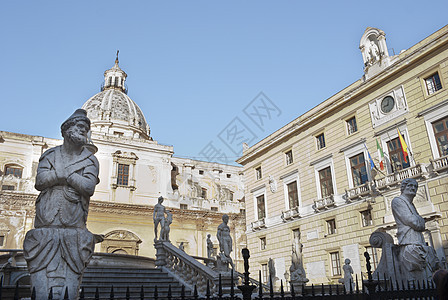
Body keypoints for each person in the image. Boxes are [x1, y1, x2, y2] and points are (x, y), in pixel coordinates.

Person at [23, 109, 99, 300]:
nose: (84, 131)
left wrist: (62, 175)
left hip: (73, 217)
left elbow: (88, 187)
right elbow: (39, 182)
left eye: (86, 128)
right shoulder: (50, 155)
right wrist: (69, 177)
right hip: (47, 216)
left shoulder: (90, 159)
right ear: (66, 130)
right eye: (80, 127)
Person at [391, 178, 441, 282]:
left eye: (415, 187)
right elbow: (415, 222)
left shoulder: (411, 204)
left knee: (426, 278)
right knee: (419, 280)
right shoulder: (398, 201)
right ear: (403, 188)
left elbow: (419, 224)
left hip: (418, 243)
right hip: (409, 244)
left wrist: (419, 222)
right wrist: (419, 221)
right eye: (410, 185)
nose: (413, 188)